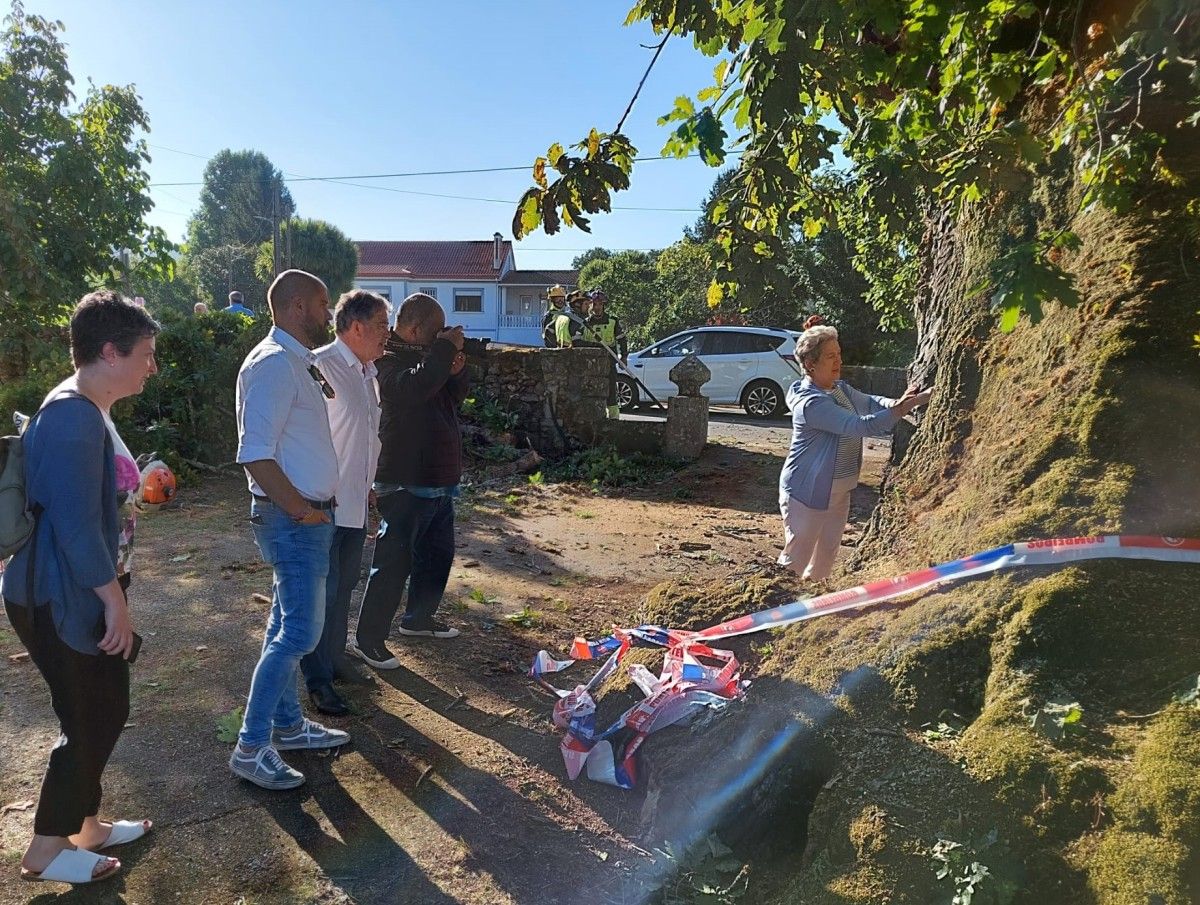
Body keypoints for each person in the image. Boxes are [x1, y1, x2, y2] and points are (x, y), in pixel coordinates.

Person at [1, 290, 158, 885]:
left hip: (73, 589)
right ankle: (45, 849)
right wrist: (114, 603)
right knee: (94, 711)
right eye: (145, 353)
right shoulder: (71, 415)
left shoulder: (86, 408)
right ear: (110, 351)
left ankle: (84, 825)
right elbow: (72, 525)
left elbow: (93, 504)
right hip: (60, 595)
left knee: (97, 707)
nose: (151, 365)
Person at [229, 269, 349, 791]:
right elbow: (254, 453)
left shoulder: (293, 361)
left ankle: (287, 726)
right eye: (324, 305)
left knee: (284, 627)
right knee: (299, 633)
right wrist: (302, 510)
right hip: (293, 522)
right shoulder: (276, 365)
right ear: (298, 306)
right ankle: (251, 747)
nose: (328, 315)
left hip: (303, 519)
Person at [348, 293, 468, 671]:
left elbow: (451, 399)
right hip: (404, 480)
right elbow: (411, 390)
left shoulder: (428, 358)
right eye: (435, 336)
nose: (439, 343)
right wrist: (442, 354)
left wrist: (456, 370)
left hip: (437, 478)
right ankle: (369, 638)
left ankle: (419, 618)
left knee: (436, 556)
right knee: (393, 562)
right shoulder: (385, 359)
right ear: (416, 330)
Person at [778, 324, 931, 581]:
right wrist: (905, 407)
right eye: (830, 356)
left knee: (826, 559)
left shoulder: (840, 388)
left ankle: (809, 612)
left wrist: (899, 402)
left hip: (839, 491)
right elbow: (861, 425)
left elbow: (871, 402)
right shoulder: (811, 403)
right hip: (807, 492)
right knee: (796, 561)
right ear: (810, 363)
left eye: (838, 353)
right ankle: (775, 609)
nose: (839, 360)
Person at [299, 290, 389, 716]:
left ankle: (335, 659)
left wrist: (368, 484)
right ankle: (317, 680)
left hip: (354, 500)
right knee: (322, 592)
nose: (387, 334)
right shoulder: (319, 366)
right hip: (323, 503)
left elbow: (364, 437)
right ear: (356, 328)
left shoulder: (368, 371)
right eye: (383, 325)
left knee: (343, 588)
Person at [582, 289, 628, 418]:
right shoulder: (585, 323)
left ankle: (613, 419)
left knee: (611, 392)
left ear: (604, 305)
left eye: (600, 304)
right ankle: (593, 418)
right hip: (590, 364)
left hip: (609, 361)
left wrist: (624, 356)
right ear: (590, 305)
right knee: (591, 392)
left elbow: (622, 339)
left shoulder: (613, 321)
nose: (597, 307)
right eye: (594, 304)